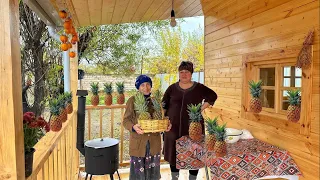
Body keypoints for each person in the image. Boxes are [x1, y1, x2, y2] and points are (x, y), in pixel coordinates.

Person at [162, 61, 218, 180]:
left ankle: (192, 179)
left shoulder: (199, 87)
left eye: (186, 72)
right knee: (173, 153)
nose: (183, 74)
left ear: (191, 73)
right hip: (173, 128)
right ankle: (174, 178)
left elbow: (213, 95)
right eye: (181, 72)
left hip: (194, 128)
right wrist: (164, 119)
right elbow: (164, 105)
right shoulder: (172, 88)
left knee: (194, 154)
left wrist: (201, 108)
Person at [123, 75, 171, 180]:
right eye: (143, 85)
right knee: (138, 175)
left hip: (154, 142)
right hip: (138, 142)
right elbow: (125, 120)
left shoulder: (155, 101)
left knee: (153, 173)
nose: (146, 87)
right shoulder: (132, 100)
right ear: (138, 87)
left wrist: (166, 124)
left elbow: (161, 117)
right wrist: (133, 127)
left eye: (148, 84)